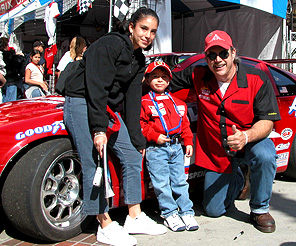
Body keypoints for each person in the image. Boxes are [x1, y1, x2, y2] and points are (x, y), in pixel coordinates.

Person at [63, 7, 167, 246]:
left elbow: (132, 101)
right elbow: (96, 87)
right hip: (81, 99)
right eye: (143, 29)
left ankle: (134, 216)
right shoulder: (110, 44)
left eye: (153, 31)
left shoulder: (139, 59)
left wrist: (137, 138)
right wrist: (99, 130)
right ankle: (104, 223)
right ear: (131, 27)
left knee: (132, 155)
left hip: (104, 107)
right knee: (94, 158)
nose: (148, 35)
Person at [170, 30, 281, 233]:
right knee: (213, 210)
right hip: (218, 153)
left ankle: (259, 209)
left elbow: (267, 122)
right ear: (206, 58)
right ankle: (239, 178)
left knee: (266, 155)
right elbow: (164, 79)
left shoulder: (257, 79)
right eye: (212, 55)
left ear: (233, 52)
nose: (218, 60)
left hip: (250, 141)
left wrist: (246, 136)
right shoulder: (198, 75)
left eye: (223, 53)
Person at [140, 61, 199, 232]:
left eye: (164, 77)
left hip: (176, 148)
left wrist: (188, 142)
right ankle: (169, 213)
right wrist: (154, 136)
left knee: (180, 181)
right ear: (148, 80)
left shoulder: (179, 103)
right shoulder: (144, 102)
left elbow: (185, 124)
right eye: (155, 77)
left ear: (169, 80)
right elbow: (141, 125)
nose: (160, 80)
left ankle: (186, 211)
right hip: (156, 149)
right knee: (162, 184)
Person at [0, 37, 25, 102]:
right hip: (10, 81)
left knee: (4, 102)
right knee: (10, 103)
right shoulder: (9, 55)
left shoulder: (3, 55)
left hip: (3, 82)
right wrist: (20, 56)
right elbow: (18, 62)